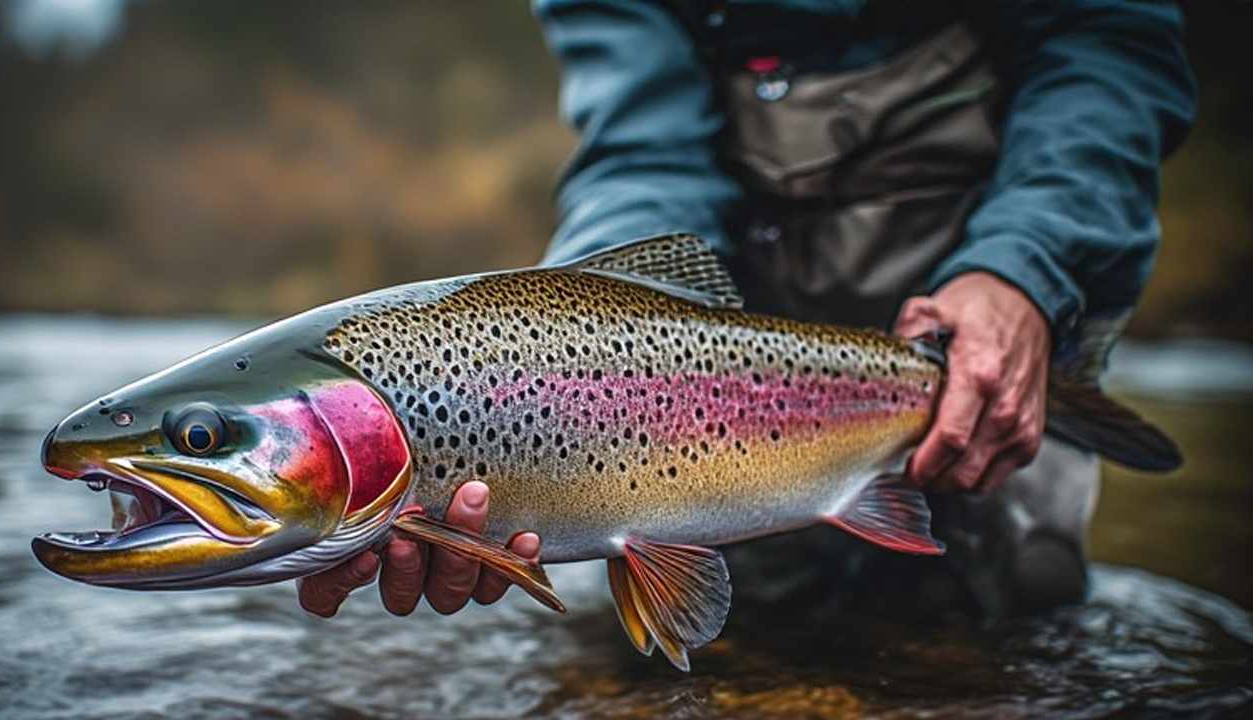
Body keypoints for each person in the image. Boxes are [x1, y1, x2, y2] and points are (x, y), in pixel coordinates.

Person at [297, 0, 1195, 620]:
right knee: (686, 652)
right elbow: (644, 153)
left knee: (1019, 619)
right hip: (716, 361)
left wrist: (1027, 274)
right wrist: (577, 351)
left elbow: (1111, 46)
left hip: (1006, 264)